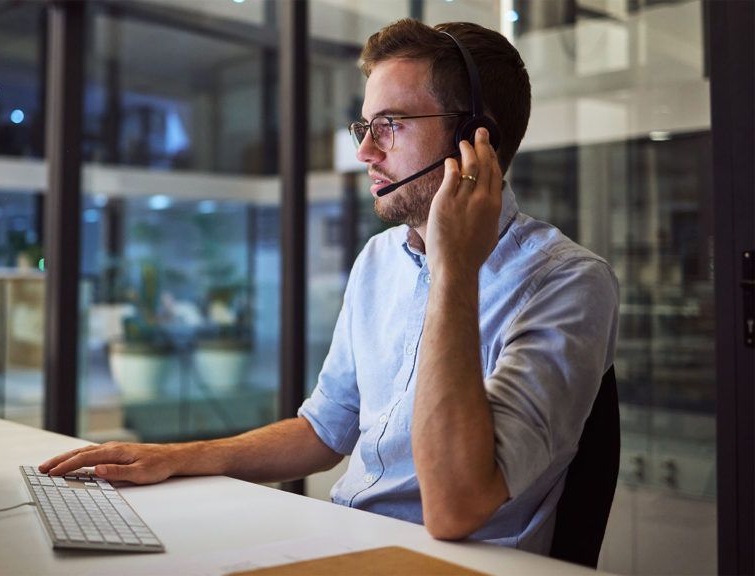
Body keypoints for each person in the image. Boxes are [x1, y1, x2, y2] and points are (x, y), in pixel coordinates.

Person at [40, 19, 619, 555]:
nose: (365, 151)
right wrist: (180, 458)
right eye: (364, 126)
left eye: (390, 124)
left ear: (475, 138)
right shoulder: (378, 260)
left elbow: (456, 507)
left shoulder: (568, 284)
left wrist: (455, 268)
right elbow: (327, 428)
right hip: (350, 541)